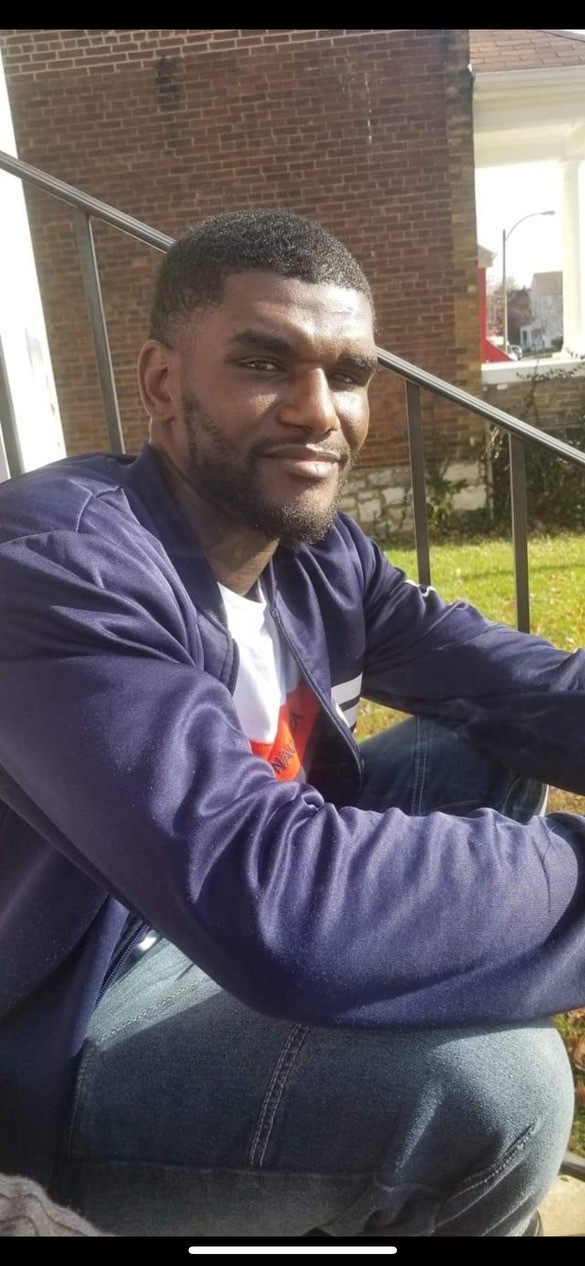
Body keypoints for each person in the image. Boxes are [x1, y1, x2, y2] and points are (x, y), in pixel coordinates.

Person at [0, 208, 584, 1240]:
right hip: (78, 1027)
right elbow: (268, 893)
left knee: (474, 749)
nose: (320, 412)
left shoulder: (316, 557)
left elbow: (516, 686)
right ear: (163, 382)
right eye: (265, 363)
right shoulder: (57, 567)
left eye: (349, 373)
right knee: (497, 1086)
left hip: (213, 916)